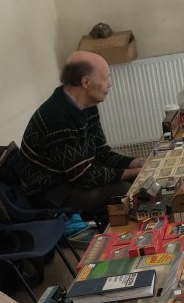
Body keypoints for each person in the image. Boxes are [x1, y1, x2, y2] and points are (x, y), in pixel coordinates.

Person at [19, 50, 144, 217]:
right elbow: (82, 177)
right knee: (123, 190)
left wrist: (136, 163)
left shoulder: (88, 105)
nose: (110, 84)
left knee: (135, 180)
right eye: (105, 78)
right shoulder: (57, 118)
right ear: (86, 82)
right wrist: (131, 172)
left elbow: (102, 153)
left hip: (72, 178)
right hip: (50, 192)